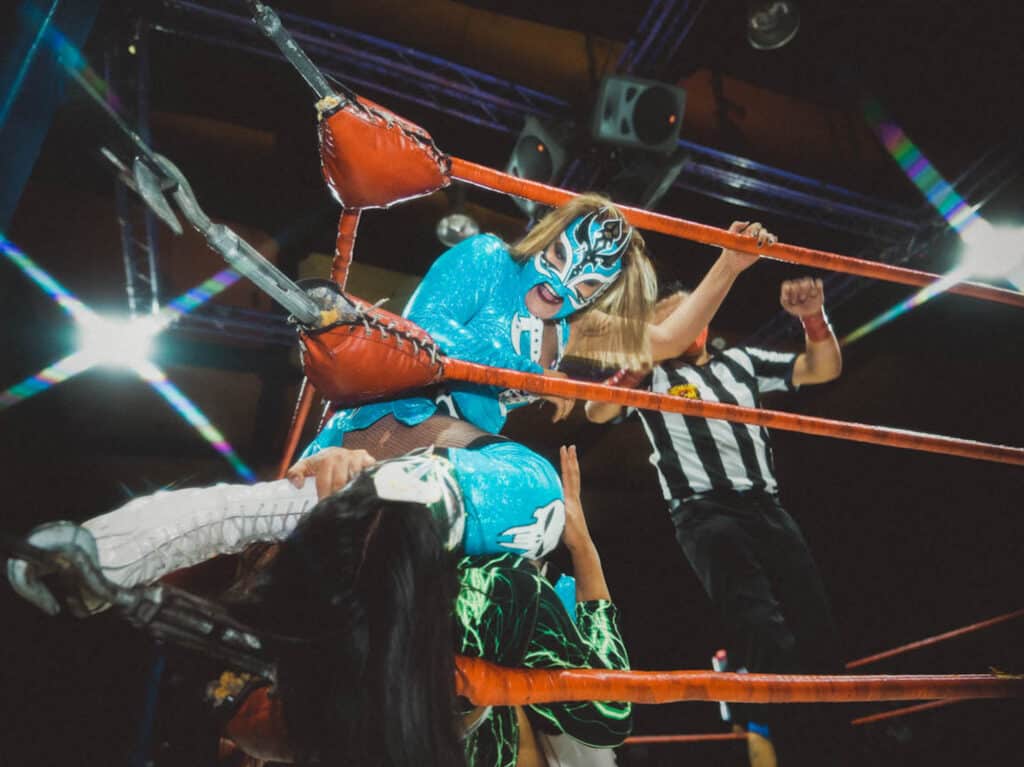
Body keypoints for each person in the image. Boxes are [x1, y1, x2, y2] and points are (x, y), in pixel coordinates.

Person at [9, 443, 630, 767]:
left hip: (313, 697)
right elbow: (607, 714)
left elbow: (218, 516)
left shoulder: (311, 572)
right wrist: (587, 552)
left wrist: (330, 495)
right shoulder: (501, 587)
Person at [586, 270, 846, 765]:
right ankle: (798, 751)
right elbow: (597, 411)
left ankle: (839, 747)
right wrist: (641, 362)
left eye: (685, 318)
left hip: (767, 506)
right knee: (764, 632)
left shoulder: (742, 362)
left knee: (818, 629)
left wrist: (813, 319)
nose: (680, 329)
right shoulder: (653, 377)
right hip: (704, 513)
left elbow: (823, 369)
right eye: (665, 325)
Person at [304, 199, 775, 460]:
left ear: (599, 292)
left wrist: (729, 266)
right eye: (557, 259)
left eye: (587, 282)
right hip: (394, 420)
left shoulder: (574, 327)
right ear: (544, 241)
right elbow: (426, 327)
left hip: (451, 449)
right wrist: (528, 374)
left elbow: (667, 341)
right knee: (522, 478)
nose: (560, 284)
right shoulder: (489, 259)